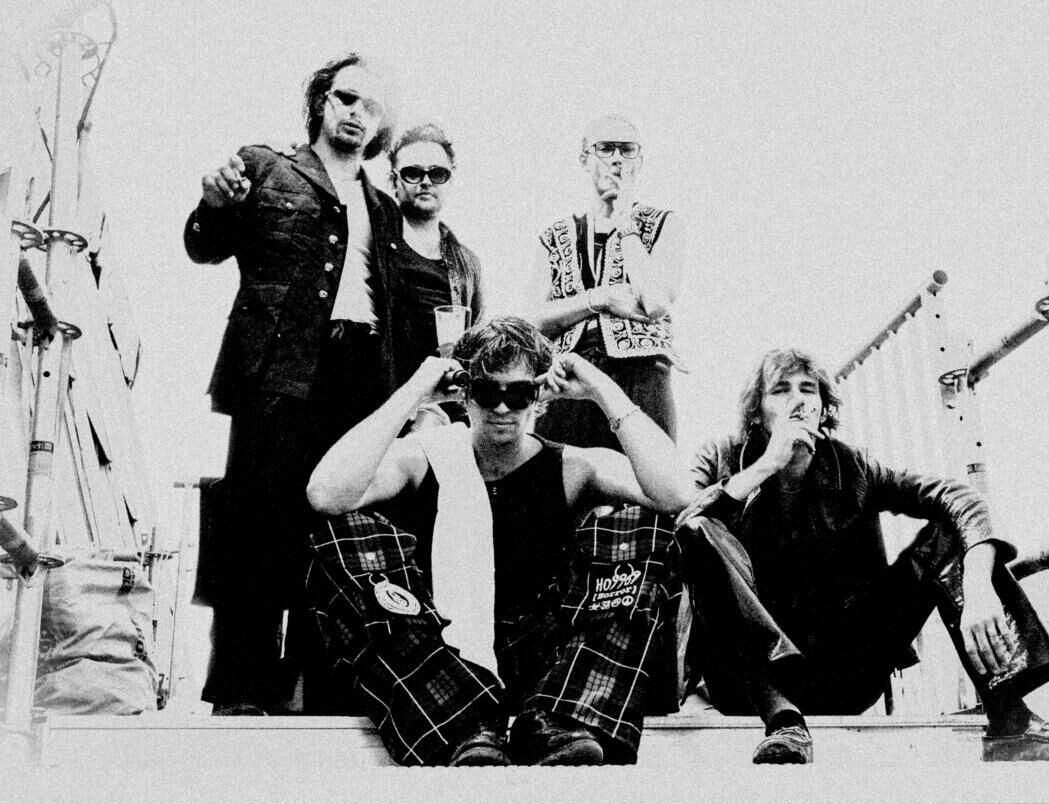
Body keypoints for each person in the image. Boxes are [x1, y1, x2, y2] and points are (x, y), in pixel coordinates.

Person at [678, 347, 1049, 765]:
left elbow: (959, 498)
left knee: (949, 532)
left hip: (841, 671)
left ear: (823, 408)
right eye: (781, 390)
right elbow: (681, 526)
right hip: (747, 684)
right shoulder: (720, 457)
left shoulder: (853, 467)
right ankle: (784, 719)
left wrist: (979, 587)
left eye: (808, 389)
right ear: (756, 412)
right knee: (700, 530)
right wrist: (765, 467)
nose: (797, 401)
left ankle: (1012, 720)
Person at [304, 316, 693, 766]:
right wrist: (414, 392)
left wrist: (601, 389)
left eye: (519, 393)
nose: (503, 408)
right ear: (464, 394)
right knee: (343, 530)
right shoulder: (424, 458)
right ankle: (466, 725)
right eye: (488, 392)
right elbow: (326, 494)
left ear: (540, 397)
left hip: (549, 669)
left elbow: (678, 496)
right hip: (437, 666)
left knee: (645, 525)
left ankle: (562, 720)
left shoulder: (575, 467)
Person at [182, 53, 408, 715]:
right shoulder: (265, 166)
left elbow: (395, 306)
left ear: (382, 124)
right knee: (254, 524)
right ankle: (242, 690)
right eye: (345, 97)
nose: (356, 112)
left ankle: (327, 693)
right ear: (321, 101)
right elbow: (203, 245)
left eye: (371, 105)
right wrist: (211, 203)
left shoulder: (384, 208)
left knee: (340, 530)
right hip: (276, 372)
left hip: (361, 377)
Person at [529, 114, 685, 452]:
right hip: (569, 376)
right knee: (559, 476)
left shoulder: (664, 224)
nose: (617, 159)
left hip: (640, 374)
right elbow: (535, 321)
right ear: (585, 159)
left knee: (646, 478)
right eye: (606, 148)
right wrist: (600, 299)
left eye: (627, 150)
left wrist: (625, 223)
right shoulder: (553, 235)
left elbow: (656, 302)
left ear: (639, 161)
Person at [387, 123, 483, 428]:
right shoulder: (374, 243)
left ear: (450, 180)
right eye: (413, 173)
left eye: (437, 173)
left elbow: (477, 347)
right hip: (380, 402)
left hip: (443, 413)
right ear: (394, 181)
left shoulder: (467, 264)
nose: (426, 182)